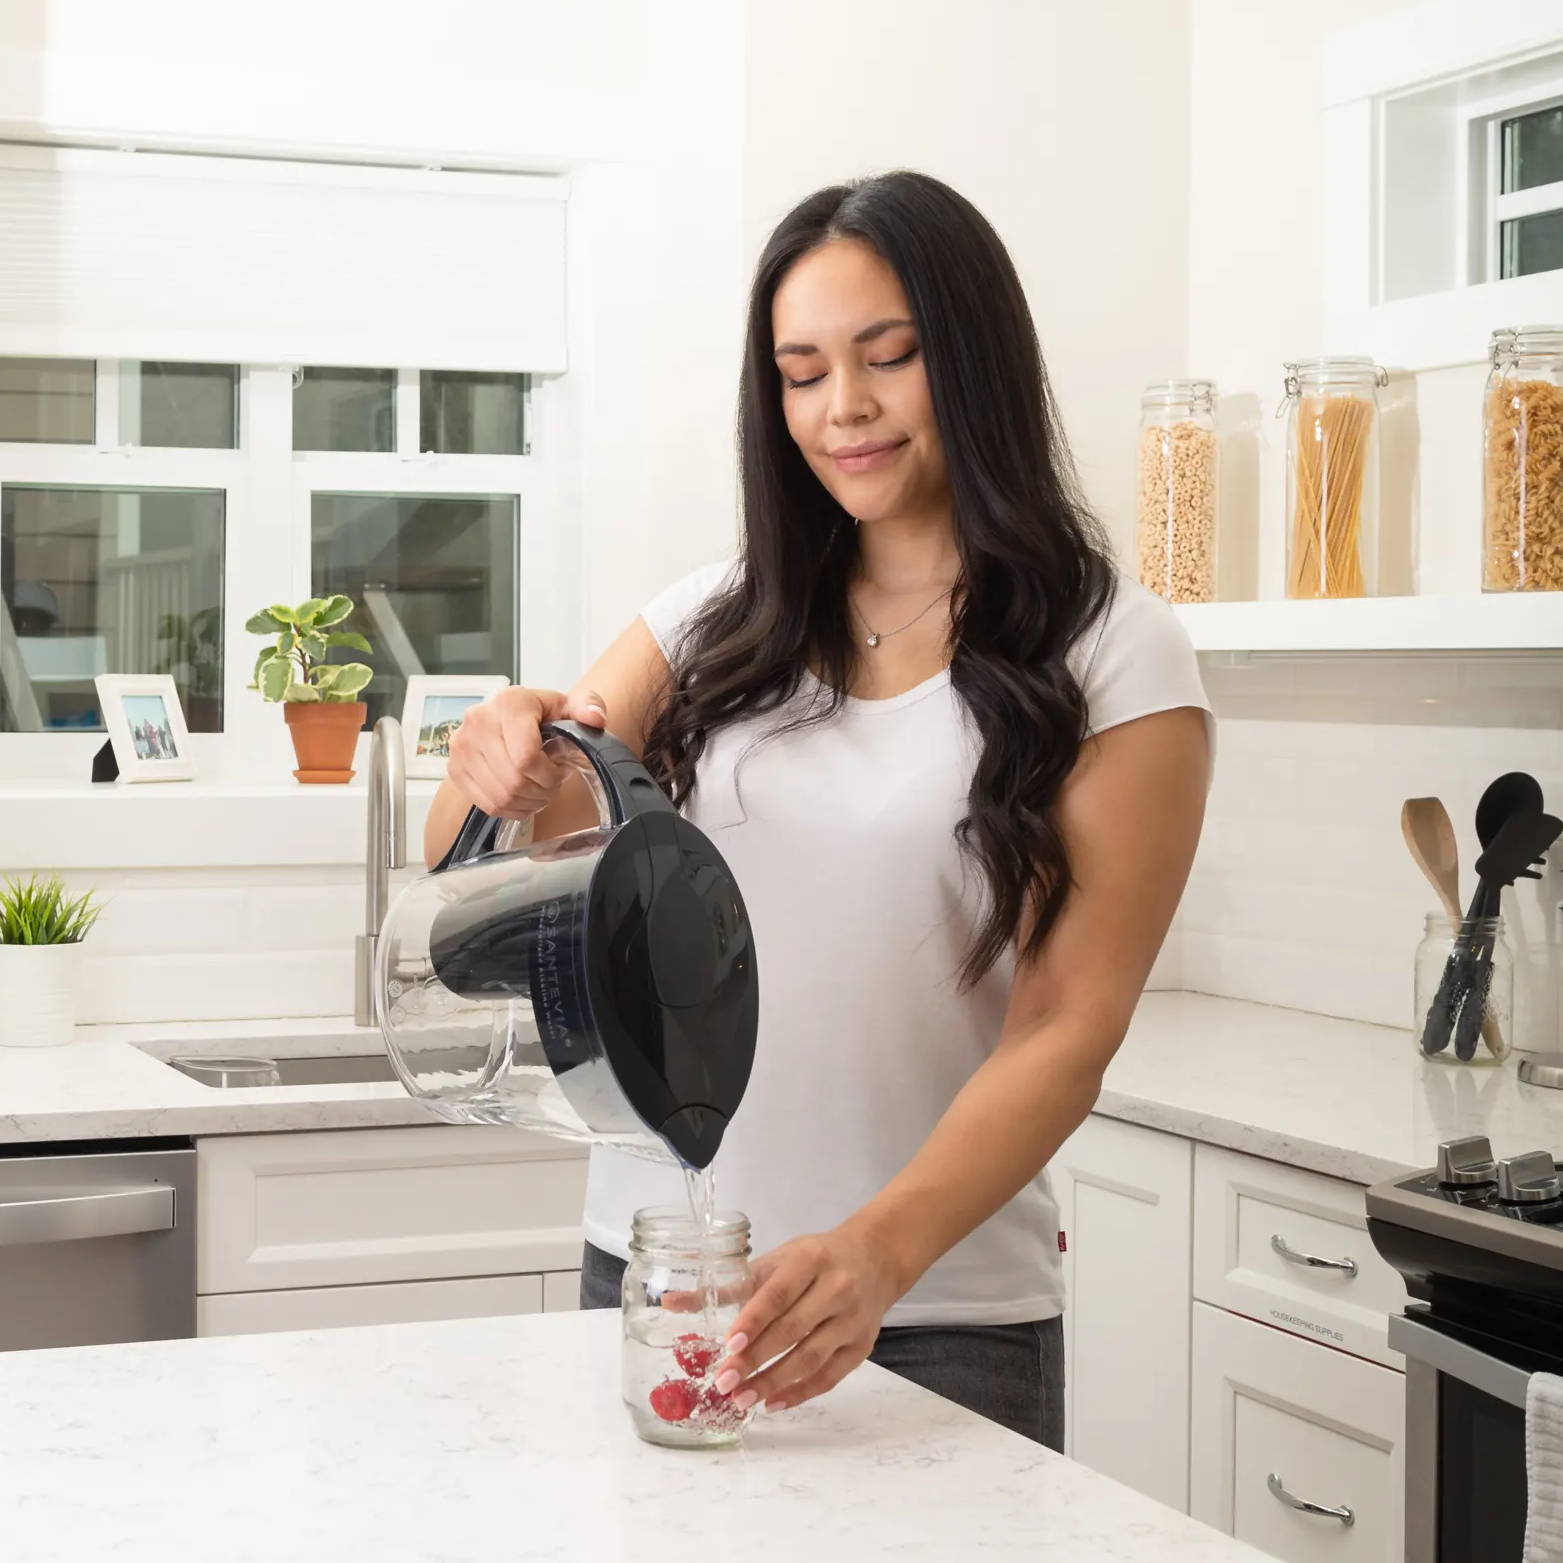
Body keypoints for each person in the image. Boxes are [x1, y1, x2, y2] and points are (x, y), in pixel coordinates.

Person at [422, 170, 1212, 1448]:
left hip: (936, 1311)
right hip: (660, 1275)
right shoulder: (709, 621)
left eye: (887, 358)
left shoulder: (1118, 654)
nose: (842, 409)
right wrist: (494, 759)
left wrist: (875, 1254)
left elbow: (1071, 1024)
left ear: (974, 359)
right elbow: (486, 869)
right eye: (799, 373)